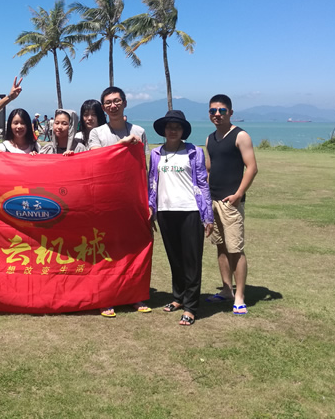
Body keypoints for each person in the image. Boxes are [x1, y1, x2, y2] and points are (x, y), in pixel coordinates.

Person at [88, 86, 150, 317]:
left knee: (133, 248)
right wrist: (123, 144)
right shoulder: (97, 133)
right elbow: (97, 159)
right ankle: (106, 297)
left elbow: (143, 168)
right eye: (108, 103)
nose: (112, 106)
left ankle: (134, 295)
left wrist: (147, 201)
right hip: (104, 200)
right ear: (103, 108)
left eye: (116, 101)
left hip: (132, 199)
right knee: (106, 249)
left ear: (124, 103)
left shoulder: (139, 131)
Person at [149, 110, 214, 326]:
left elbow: (202, 183)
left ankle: (191, 307)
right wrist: (151, 208)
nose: (173, 130)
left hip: (190, 211)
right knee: (174, 258)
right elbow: (152, 182)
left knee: (191, 260)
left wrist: (208, 215)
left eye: (177, 127)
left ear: (183, 130)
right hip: (165, 211)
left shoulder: (194, 152)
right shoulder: (156, 153)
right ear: (164, 130)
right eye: (169, 127)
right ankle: (178, 297)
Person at [205, 94, 258, 315]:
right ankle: (226, 290)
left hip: (231, 202)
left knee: (236, 249)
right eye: (213, 111)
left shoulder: (240, 136)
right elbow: (209, 169)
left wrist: (238, 194)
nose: (217, 114)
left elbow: (252, 167)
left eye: (222, 110)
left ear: (230, 112)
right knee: (221, 246)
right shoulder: (210, 138)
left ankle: (239, 296)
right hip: (214, 200)